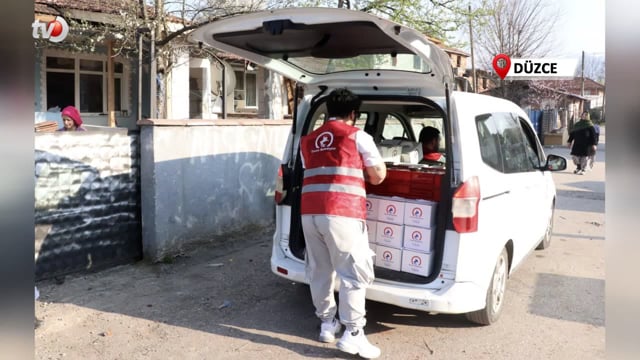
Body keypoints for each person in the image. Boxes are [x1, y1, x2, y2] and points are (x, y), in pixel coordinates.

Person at [299, 88, 386, 359]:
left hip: (309, 213)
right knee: (352, 274)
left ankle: (327, 324)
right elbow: (378, 175)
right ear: (353, 114)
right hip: (342, 212)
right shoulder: (357, 136)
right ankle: (354, 333)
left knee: (319, 270)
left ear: (327, 113)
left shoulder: (308, 140)